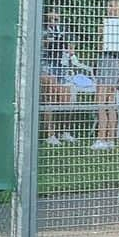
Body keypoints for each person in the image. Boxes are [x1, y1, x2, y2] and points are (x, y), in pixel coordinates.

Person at [93, 0, 119, 150]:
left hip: (110, 62)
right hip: (113, 62)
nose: (109, 8)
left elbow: (103, 45)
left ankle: (102, 138)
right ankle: (110, 139)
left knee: (101, 101)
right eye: (108, 5)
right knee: (111, 102)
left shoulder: (115, 26)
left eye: (112, 5)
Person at [39, 9, 79, 146]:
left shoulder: (64, 31)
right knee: (50, 95)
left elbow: (70, 48)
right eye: (51, 19)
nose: (53, 22)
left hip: (61, 68)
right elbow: (44, 46)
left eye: (56, 19)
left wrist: (69, 49)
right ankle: (50, 134)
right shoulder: (42, 31)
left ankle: (64, 131)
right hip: (46, 67)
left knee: (67, 98)